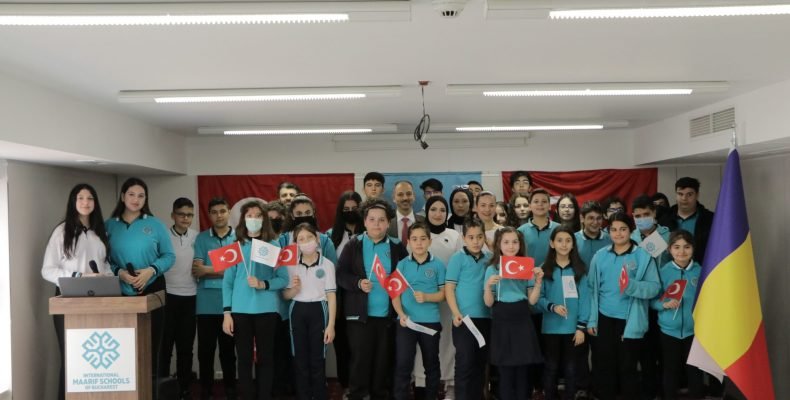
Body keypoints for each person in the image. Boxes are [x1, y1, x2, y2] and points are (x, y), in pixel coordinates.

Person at [105, 177, 175, 400]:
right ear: (123, 196)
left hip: (152, 289)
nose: (136, 199)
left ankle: (150, 392)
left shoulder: (155, 225)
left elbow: (169, 256)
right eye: (131, 194)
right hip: (120, 291)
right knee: (123, 346)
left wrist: (151, 271)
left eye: (141, 195)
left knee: (152, 345)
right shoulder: (109, 225)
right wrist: (119, 273)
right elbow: (103, 259)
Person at [42, 183, 112, 400]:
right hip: (69, 301)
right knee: (71, 359)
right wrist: (78, 277)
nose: (85, 202)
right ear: (73, 202)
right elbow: (47, 270)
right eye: (80, 198)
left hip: (98, 301)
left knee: (93, 362)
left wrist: (108, 278)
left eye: (90, 198)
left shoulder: (100, 232)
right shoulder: (62, 231)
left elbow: (105, 265)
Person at [336, 198, 409, 400]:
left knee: (383, 360)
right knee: (360, 358)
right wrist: (358, 283)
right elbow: (340, 274)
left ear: (388, 223)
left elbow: (405, 275)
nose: (377, 224)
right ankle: (358, 394)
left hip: (387, 315)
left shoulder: (397, 246)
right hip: (359, 316)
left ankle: (380, 394)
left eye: (381, 220)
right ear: (365, 221)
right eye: (372, 219)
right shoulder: (353, 245)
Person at [587, 213, 660, 400]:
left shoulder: (643, 256)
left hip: (630, 320)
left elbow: (654, 287)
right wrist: (592, 319)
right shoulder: (600, 256)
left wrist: (632, 286)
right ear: (608, 231)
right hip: (603, 318)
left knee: (628, 366)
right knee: (605, 365)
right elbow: (591, 289)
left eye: (623, 229)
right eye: (613, 229)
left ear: (631, 230)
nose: (618, 233)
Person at [222, 201, 289, 400]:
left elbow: (283, 279)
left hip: (266, 310)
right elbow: (227, 282)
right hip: (240, 311)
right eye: (249, 215)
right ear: (243, 219)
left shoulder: (273, 245)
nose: (254, 219)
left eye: (258, 215)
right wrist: (227, 313)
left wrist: (263, 284)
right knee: (243, 360)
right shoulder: (235, 245)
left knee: (266, 359)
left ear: (264, 219)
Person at [276, 194, 337, 398]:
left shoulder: (327, 264)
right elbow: (285, 295)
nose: (306, 242)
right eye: (301, 239)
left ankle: (319, 395)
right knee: (299, 357)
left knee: (317, 358)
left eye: (309, 238)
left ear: (317, 239)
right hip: (297, 309)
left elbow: (331, 295)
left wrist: (331, 325)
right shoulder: (290, 264)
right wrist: (293, 289)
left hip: (319, 309)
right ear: (295, 243)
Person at [483, 227, 544, 400]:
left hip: (522, 317)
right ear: (499, 245)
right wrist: (488, 286)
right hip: (501, 318)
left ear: (520, 244)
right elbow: (488, 302)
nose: (511, 246)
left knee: (523, 370)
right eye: (506, 242)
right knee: (505, 371)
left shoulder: (526, 266)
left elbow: (532, 300)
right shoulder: (493, 269)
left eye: (515, 242)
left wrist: (538, 283)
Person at [392, 222, 447, 400]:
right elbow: (395, 295)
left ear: (430, 241)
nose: (419, 243)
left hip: (430, 322)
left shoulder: (438, 265)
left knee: (431, 364)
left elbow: (444, 295)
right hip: (406, 323)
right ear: (408, 242)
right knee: (403, 364)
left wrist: (427, 297)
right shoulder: (402, 265)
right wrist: (401, 315)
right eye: (414, 239)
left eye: (423, 239)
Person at [537, 226, 590, 400]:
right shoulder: (544, 269)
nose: (564, 244)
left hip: (573, 329)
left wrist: (581, 327)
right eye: (559, 240)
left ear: (573, 244)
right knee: (551, 367)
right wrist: (552, 306)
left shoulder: (579, 269)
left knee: (571, 368)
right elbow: (538, 298)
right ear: (552, 243)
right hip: (550, 328)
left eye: (568, 240)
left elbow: (585, 300)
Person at [193, 197, 238, 399]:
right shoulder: (202, 238)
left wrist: (209, 269)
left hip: (231, 304)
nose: (219, 215)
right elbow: (197, 270)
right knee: (206, 351)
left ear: (228, 212)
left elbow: (238, 272)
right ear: (209, 215)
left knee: (228, 351)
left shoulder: (238, 238)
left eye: (222, 211)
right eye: (214, 212)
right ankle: (206, 390)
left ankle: (230, 389)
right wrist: (225, 269)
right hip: (205, 304)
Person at [652, 230, 705, 400]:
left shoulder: (701, 271)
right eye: (676, 247)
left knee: (695, 370)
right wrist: (664, 304)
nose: (682, 251)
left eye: (686, 247)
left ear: (693, 249)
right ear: (669, 249)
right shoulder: (663, 272)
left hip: (694, 332)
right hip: (669, 332)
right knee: (670, 370)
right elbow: (652, 301)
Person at [420, 196, 463, 398]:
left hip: (449, 300)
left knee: (449, 341)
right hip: (424, 301)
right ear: (427, 212)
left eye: (442, 210)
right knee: (425, 342)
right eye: (433, 209)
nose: (438, 214)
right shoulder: (419, 235)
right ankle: (423, 382)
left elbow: (460, 265)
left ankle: (450, 385)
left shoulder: (454, 236)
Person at [445, 219, 492, 400]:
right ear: (464, 238)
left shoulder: (489, 258)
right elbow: (449, 288)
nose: (476, 241)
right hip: (464, 320)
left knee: (480, 363)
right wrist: (456, 313)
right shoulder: (457, 258)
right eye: (471, 237)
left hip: (486, 319)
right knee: (464, 363)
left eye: (479, 237)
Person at [326, 191, 364, 396]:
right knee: (342, 346)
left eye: (354, 208)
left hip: (362, 295)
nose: (350, 212)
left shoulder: (369, 232)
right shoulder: (330, 235)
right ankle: (346, 387)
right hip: (339, 298)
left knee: (361, 347)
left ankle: (363, 387)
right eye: (346, 209)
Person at [161, 197, 199, 399]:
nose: (185, 218)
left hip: (190, 297)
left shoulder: (197, 237)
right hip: (167, 297)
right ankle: (162, 388)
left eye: (189, 215)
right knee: (165, 347)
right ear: (173, 215)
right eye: (181, 214)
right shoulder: (163, 236)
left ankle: (184, 389)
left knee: (186, 348)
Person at [572, 201, 610, 399]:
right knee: (579, 347)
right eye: (591, 218)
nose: (595, 222)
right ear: (582, 219)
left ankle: (598, 387)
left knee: (600, 349)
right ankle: (582, 386)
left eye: (599, 218)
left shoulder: (610, 240)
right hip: (578, 301)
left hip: (602, 301)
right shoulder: (573, 240)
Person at [661, 177, 715, 264]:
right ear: (676, 195)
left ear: (697, 195)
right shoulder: (664, 220)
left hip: (702, 268)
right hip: (670, 269)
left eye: (689, 194)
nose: (684, 198)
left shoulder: (711, 219)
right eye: (680, 194)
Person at [517, 188, 560, 268]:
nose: (540, 204)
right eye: (536, 201)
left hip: (553, 273)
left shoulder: (559, 229)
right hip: (528, 273)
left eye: (544, 201)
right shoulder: (520, 231)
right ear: (529, 206)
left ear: (549, 206)